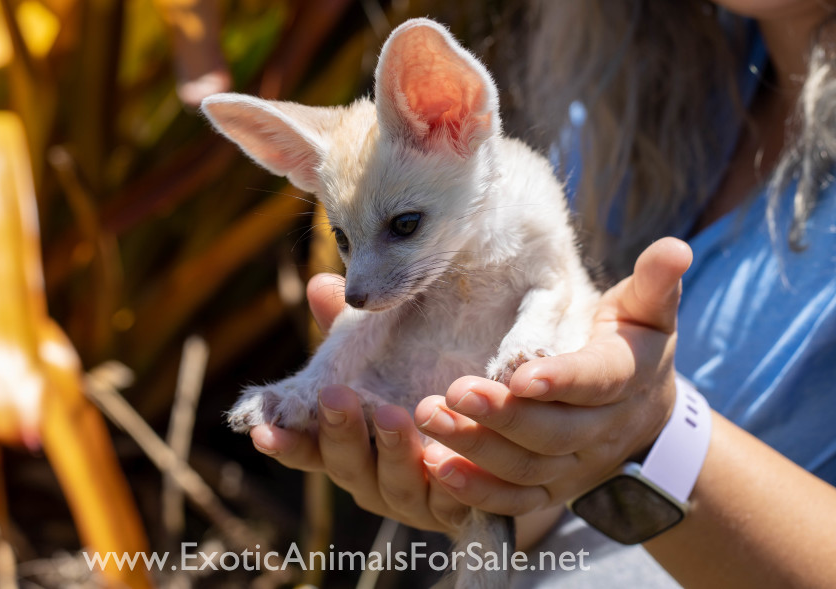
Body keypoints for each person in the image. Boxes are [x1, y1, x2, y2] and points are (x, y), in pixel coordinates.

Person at [248, 1, 836, 586]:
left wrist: (652, 439)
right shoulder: (627, 82)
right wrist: (497, 477)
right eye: (346, 242)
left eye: (404, 229)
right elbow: (548, 513)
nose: (358, 288)